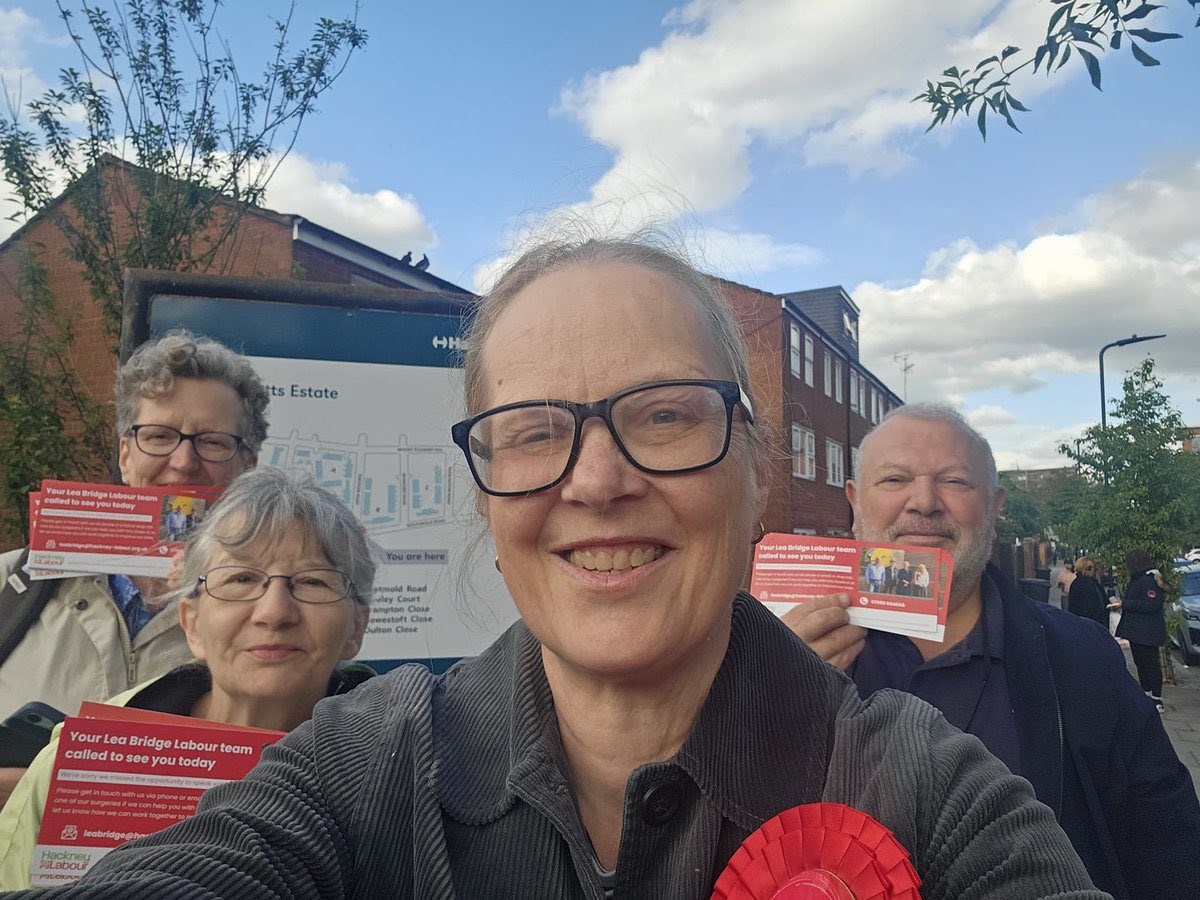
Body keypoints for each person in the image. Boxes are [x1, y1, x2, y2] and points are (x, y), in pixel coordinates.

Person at [0, 238, 1108, 899]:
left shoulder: (929, 790)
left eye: (665, 416)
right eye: (532, 432)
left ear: (755, 471)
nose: (595, 480)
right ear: (486, 491)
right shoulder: (365, 768)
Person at [786, 403, 1200, 900]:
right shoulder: (784, 651)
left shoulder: (1081, 656)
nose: (924, 502)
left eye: (955, 482)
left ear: (996, 505)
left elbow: (1168, 847)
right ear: (854, 502)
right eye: (894, 479)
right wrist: (772, 699)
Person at [0, 466, 374, 888]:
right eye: (241, 578)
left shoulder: (410, 774)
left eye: (311, 582)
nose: (274, 612)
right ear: (192, 624)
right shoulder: (70, 766)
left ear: (356, 627)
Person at [0, 331, 269, 806]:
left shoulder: (280, 615)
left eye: (212, 442)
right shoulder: (8, 589)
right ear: (126, 455)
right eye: (159, 436)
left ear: (247, 466)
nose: (183, 462)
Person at [1112, 550, 1168, 711]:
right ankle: (1146, 694)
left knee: (1150, 664)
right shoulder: (1139, 579)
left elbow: (1152, 604)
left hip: (1147, 632)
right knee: (1141, 663)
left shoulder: (1148, 580)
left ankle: (1156, 699)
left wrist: (1126, 604)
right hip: (1137, 631)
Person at [1067, 557, 1109, 630]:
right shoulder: (1085, 584)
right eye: (1094, 569)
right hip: (1090, 625)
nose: (1096, 572)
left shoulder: (1091, 583)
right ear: (1085, 570)